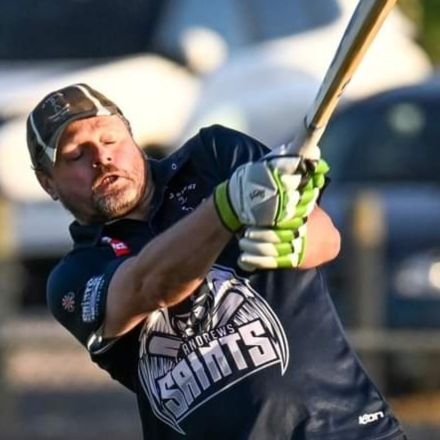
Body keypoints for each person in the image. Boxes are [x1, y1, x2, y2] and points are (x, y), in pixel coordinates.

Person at [26, 83, 406, 440]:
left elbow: (326, 237)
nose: (102, 157)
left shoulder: (214, 154)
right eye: (77, 154)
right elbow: (149, 286)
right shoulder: (72, 278)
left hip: (349, 429)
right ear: (48, 183)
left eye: (111, 139)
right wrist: (226, 206)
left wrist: (292, 241)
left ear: (132, 136)